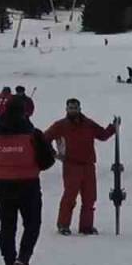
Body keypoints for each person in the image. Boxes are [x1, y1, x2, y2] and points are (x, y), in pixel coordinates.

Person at [0, 102, 56, 265]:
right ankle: (23, 259)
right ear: (24, 113)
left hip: (1, 184)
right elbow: (46, 161)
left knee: (7, 225)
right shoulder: (33, 134)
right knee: (32, 223)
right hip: (28, 183)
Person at [44, 99, 118, 235]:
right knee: (70, 197)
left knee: (90, 198)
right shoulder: (60, 125)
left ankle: (86, 226)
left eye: (75, 107)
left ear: (80, 108)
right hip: (71, 166)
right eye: (70, 108)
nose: (73, 110)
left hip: (88, 165)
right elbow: (44, 139)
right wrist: (54, 154)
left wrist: (113, 127)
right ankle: (63, 225)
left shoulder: (88, 124)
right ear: (66, 109)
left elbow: (102, 135)